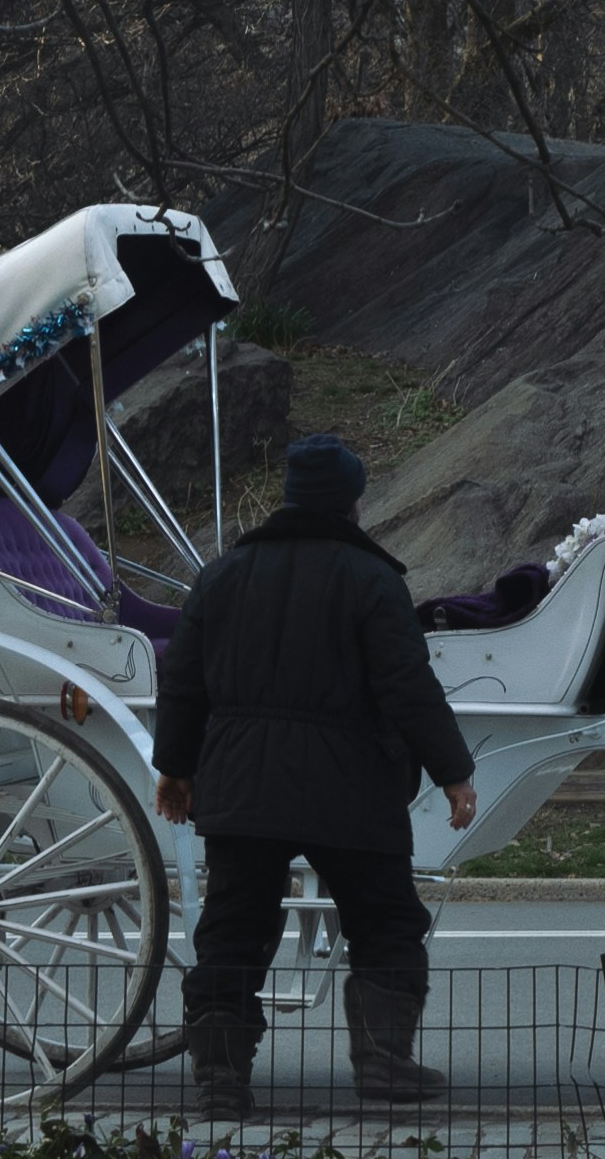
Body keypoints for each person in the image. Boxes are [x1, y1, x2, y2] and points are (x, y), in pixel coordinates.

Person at [157, 433, 478, 1106]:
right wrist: (453, 770)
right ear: (351, 503)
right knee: (386, 921)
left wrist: (176, 768)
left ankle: (220, 1078)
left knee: (233, 928)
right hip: (351, 786)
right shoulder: (372, 580)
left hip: (244, 784)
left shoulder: (222, 576)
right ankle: (384, 1062)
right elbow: (406, 685)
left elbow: (182, 684)